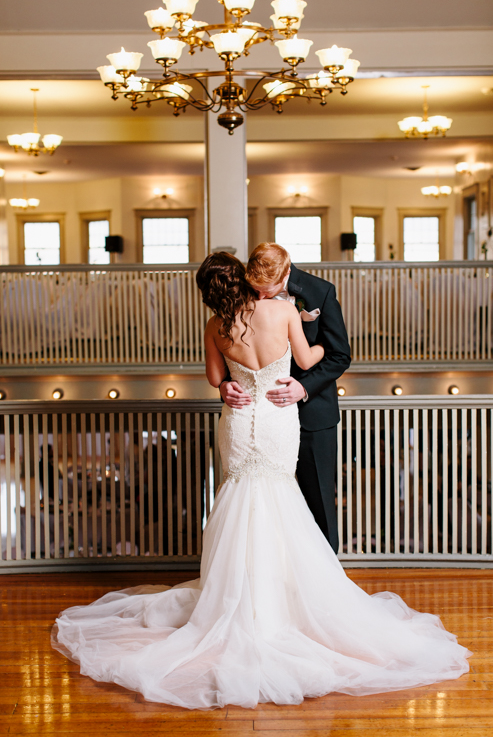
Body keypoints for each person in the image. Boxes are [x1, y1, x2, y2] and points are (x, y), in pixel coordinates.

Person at [51, 252, 470, 710]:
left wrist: (233, 384)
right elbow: (312, 355)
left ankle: (239, 599)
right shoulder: (283, 310)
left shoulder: (215, 326)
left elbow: (216, 376)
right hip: (276, 417)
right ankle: (286, 603)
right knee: (279, 500)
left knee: (239, 499)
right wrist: (309, 354)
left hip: (240, 418)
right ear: (245, 280)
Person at [221, 243, 351, 553]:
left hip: (311, 416)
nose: (261, 297)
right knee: (258, 509)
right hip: (256, 419)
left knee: (318, 504)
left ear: (285, 274)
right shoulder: (240, 290)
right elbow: (229, 343)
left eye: (267, 291)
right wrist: (226, 384)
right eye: (256, 290)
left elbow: (339, 355)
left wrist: (303, 388)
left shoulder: (320, 292)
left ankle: (323, 585)